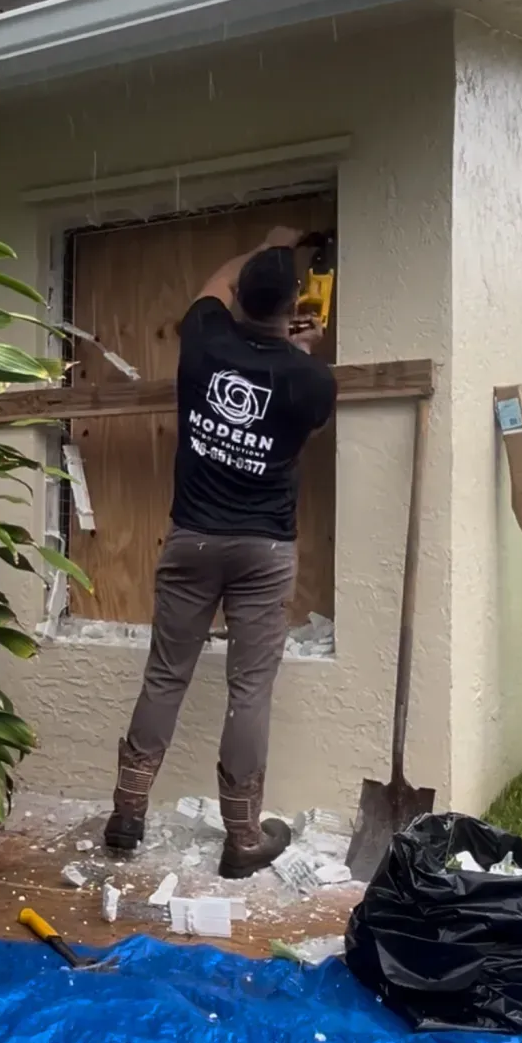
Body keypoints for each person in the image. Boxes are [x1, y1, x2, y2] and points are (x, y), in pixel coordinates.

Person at [104, 226, 338, 878]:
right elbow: (292, 435)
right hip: (263, 549)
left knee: (164, 675)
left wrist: (267, 244)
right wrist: (296, 355)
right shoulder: (309, 380)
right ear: (293, 309)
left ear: (239, 299)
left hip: (192, 540)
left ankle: (126, 812)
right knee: (249, 691)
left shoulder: (204, 340)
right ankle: (241, 840)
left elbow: (215, 283)